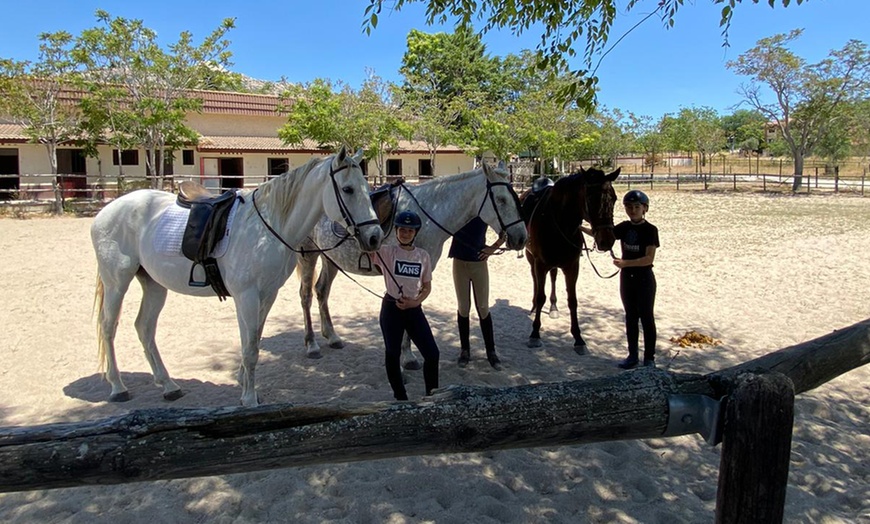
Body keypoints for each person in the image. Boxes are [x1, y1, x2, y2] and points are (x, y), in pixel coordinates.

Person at [373, 210, 440, 400]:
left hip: (413, 309)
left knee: (432, 354)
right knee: (392, 353)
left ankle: (432, 393)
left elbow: (427, 287)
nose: (405, 234)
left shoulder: (423, 256)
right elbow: (366, 243)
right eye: (402, 229)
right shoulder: (386, 251)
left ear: (415, 233)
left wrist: (415, 302)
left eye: (410, 231)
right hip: (391, 308)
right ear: (396, 231)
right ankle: (400, 396)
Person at [448, 217, 506, 370]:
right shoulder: (459, 209)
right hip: (459, 261)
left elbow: (504, 230)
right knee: (463, 307)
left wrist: (493, 248)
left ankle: (491, 351)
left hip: (478, 262)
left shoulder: (483, 213)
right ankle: (465, 350)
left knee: (483, 307)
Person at [612, 190, 660, 369]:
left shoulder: (650, 230)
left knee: (647, 317)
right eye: (629, 207)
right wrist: (580, 228)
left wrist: (625, 263)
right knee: (630, 317)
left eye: (636, 207)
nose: (633, 210)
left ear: (645, 208)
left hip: (644, 279)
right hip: (627, 279)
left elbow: (649, 258)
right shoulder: (624, 227)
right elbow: (604, 235)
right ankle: (632, 355)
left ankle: (649, 358)